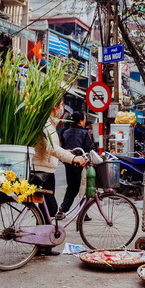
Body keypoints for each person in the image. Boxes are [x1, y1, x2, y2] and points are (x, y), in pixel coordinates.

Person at [33, 98, 86, 255]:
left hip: (47, 170)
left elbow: (53, 148)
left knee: (45, 211)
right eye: (61, 105)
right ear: (54, 106)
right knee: (50, 209)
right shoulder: (44, 123)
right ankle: (41, 245)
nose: (62, 108)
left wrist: (67, 153)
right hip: (41, 171)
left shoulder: (49, 123)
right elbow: (51, 148)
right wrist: (72, 158)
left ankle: (42, 246)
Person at [57, 111, 95, 218]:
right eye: (84, 119)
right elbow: (89, 149)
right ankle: (82, 212)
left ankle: (63, 208)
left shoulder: (65, 132)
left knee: (72, 187)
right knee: (82, 188)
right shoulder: (84, 133)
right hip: (80, 163)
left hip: (69, 162)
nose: (84, 121)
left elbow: (63, 147)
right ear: (80, 121)